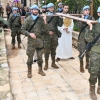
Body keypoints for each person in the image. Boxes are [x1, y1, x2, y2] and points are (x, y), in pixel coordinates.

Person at [21, 5, 47, 78]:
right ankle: (29, 71)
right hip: (31, 42)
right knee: (30, 57)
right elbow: (22, 30)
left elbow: (45, 30)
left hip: (40, 41)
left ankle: (40, 70)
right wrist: (29, 34)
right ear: (31, 10)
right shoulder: (28, 19)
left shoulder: (40, 19)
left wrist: (45, 21)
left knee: (40, 56)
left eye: (37, 10)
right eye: (34, 10)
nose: (36, 11)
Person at [85, 7, 100, 100]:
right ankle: (92, 90)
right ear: (98, 13)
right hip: (96, 52)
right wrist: (90, 27)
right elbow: (88, 39)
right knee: (94, 71)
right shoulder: (94, 24)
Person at [43, 3, 63, 70]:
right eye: (50, 8)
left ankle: (53, 63)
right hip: (47, 35)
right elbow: (42, 27)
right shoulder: (44, 16)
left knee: (53, 49)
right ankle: (46, 64)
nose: (51, 9)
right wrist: (48, 31)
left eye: (52, 7)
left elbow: (60, 25)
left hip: (54, 35)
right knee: (46, 50)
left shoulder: (56, 15)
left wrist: (61, 18)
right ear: (48, 8)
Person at [77, 6, 94, 73]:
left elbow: (94, 27)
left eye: (88, 10)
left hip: (89, 37)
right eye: (85, 10)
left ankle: (87, 63)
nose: (87, 11)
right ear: (83, 11)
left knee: (88, 51)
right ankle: (81, 66)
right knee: (81, 52)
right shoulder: (80, 18)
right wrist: (82, 19)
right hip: (82, 38)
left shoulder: (91, 18)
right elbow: (78, 27)